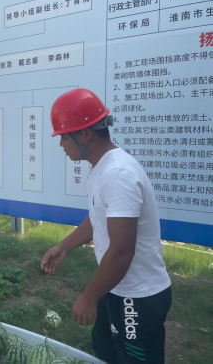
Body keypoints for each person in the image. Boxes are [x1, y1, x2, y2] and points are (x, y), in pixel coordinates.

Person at [41, 88, 172, 363]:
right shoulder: (102, 167)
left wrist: (89, 297)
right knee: (105, 350)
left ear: (85, 134)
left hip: (137, 296)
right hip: (115, 286)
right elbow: (98, 218)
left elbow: (122, 250)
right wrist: (64, 246)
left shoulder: (117, 174)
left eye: (64, 136)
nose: (61, 144)